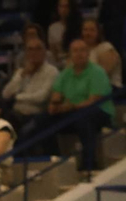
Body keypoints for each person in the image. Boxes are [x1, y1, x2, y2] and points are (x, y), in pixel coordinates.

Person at [47, 38, 115, 173]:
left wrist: (69, 106)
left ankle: (89, 164)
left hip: (99, 112)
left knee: (84, 117)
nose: (79, 54)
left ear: (88, 53)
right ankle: (55, 162)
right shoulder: (65, 74)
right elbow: (56, 96)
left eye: (82, 50)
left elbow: (93, 100)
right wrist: (54, 106)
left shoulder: (97, 72)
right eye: (75, 51)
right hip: (73, 111)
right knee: (43, 120)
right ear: (70, 55)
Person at [1, 38, 58, 139]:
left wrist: (17, 97)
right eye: (30, 49)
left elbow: (41, 97)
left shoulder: (52, 71)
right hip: (15, 114)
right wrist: (22, 75)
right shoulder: (22, 72)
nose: (34, 53)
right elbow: (5, 94)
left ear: (44, 52)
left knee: (25, 132)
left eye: (37, 49)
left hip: (37, 115)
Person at [81, 19, 123, 90]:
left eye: (92, 30)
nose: (88, 33)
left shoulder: (106, 48)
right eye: (85, 30)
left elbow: (102, 75)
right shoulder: (80, 50)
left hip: (109, 88)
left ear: (98, 32)